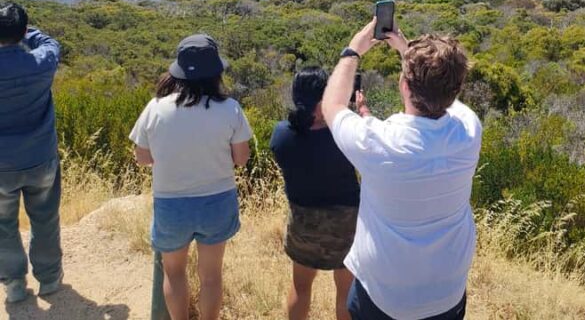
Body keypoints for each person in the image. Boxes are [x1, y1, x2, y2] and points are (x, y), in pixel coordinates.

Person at [321, 18, 481, 320]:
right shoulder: (468, 131)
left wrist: (353, 50)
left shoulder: (379, 143)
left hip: (384, 296)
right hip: (447, 292)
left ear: (403, 84)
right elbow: (445, 95)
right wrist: (407, 51)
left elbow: (332, 106)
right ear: (457, 87)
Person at [130, 34, 252, 320]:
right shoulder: (230, 108)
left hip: (171, 204)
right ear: (215, 72)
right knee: (211, 277)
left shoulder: (155, 109)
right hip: (217, 201)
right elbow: (241, 158)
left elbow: (142, 158)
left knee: (174, 273)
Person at [270, 67, 361, 320]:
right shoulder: (342, 134)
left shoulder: (281, 135)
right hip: (345, 226)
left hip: (303, 223)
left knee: (300, 288)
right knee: (346, 292)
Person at [0, 2, 63, 304]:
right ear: (23, 31)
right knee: (45, 219)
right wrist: (27, 32)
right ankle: (49, 279)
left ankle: (13, 283)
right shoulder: (41, 62)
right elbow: (51, 43)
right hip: (41, 158)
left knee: (3, 224)